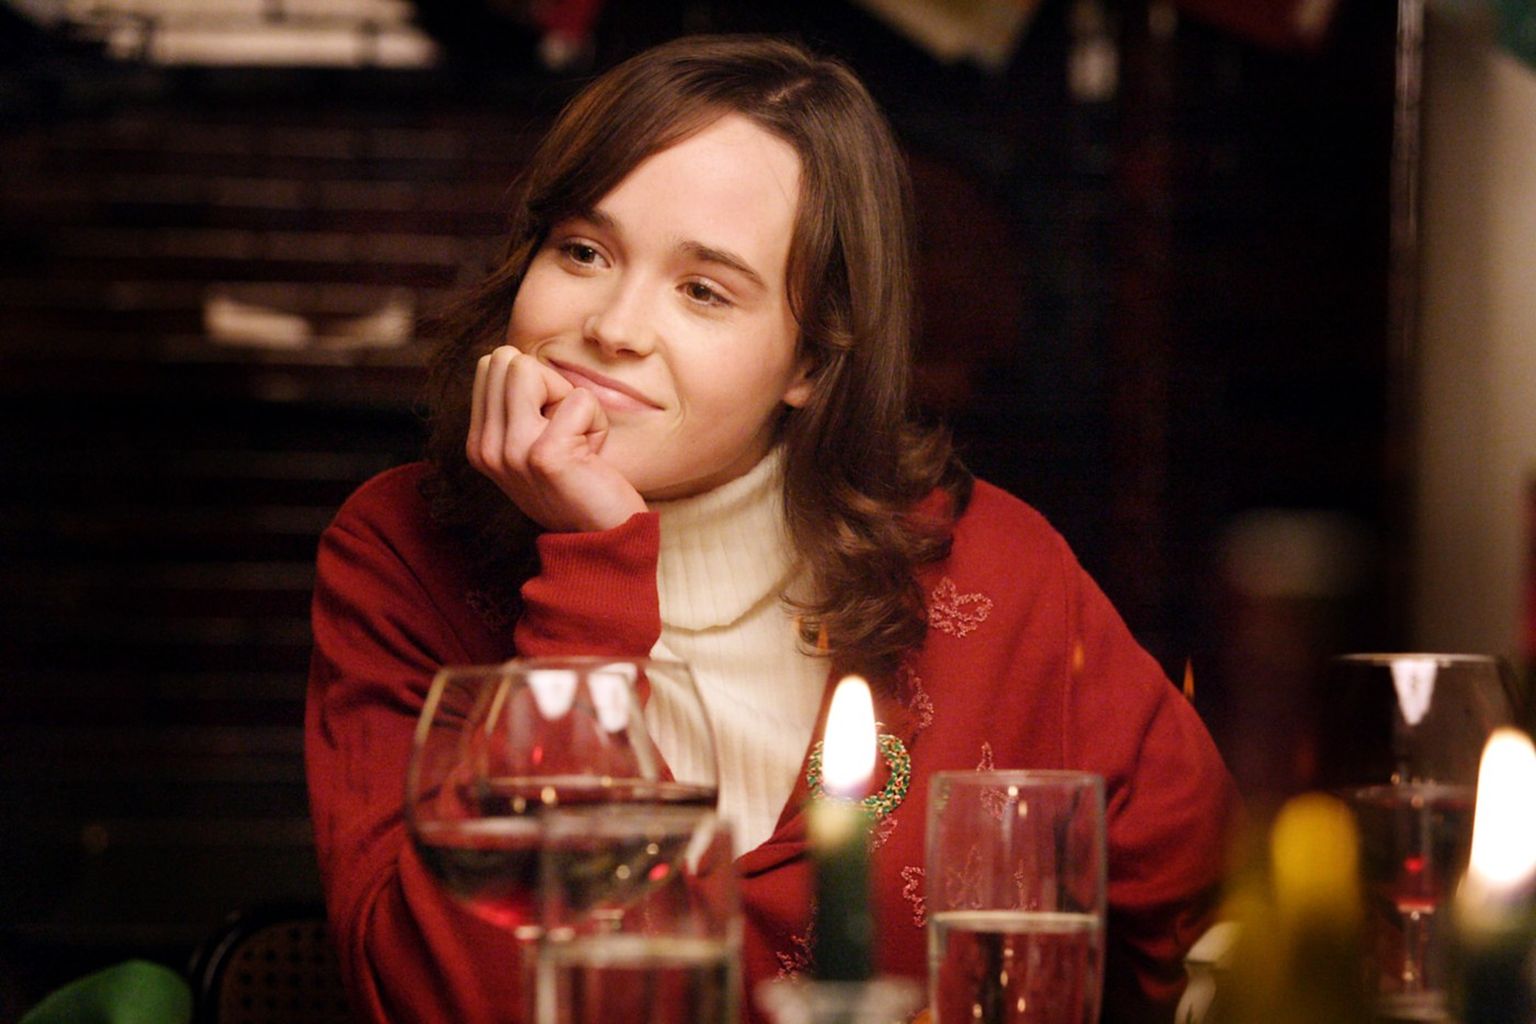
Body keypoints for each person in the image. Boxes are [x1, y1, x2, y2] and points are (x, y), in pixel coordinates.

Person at [305, 34, 1239, 1024]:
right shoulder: (399, 551)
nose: (613, 325)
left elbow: (1226, 919)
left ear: (810, 361)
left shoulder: (993, 571)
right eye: (583, 251)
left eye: (703, 290)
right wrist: (591, 574)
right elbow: (441, 1000)